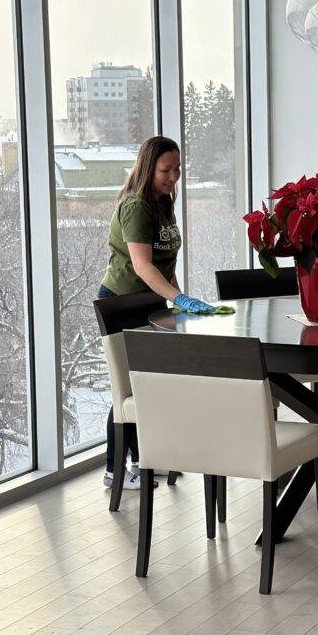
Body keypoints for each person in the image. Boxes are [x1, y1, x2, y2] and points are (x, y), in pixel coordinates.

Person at [98, 135, 213, 490]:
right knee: (128, 386)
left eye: (177, 168)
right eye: (166, 169)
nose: (174, 176)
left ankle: (142, 459)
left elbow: (165, 263)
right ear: (149, 167)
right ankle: (114, 470)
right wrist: (179, 299)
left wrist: (178, 299)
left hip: (149, 301)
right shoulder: (136, 207)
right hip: (122, 301)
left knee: (148, 383)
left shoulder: (164, 202)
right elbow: (143, 266)